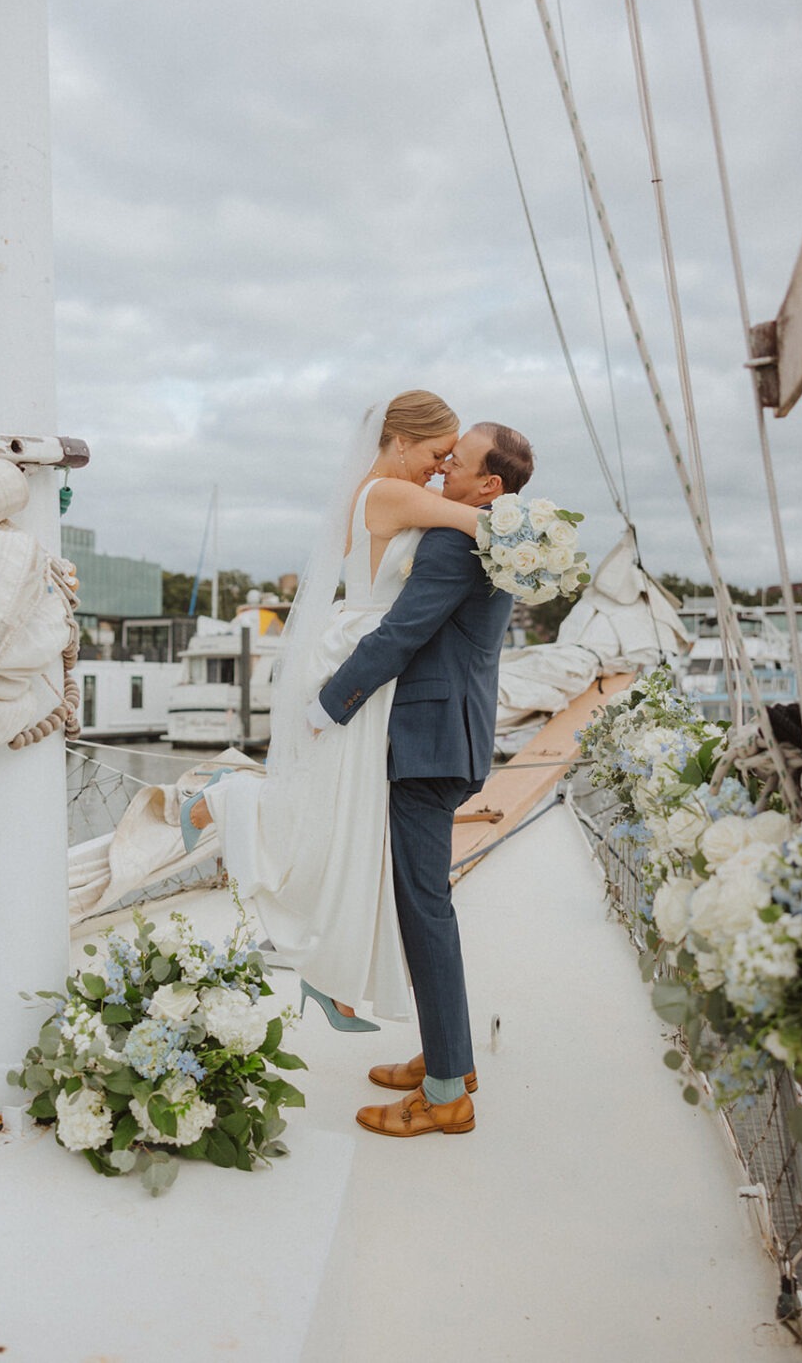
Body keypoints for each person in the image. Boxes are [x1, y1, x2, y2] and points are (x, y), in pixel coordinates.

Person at [184, 392, 486, 1027]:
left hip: (365, 658)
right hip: (361, 658)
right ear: (399, 441)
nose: (438, 467)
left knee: (347, 822)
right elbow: (477, 525)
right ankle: (225, 796)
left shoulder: (386, 490)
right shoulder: (385, 492)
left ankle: (328, 975)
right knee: (334, 815)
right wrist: (523, 524)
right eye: (436, 453)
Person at [311, 421, 535, 1138]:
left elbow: (402, 634)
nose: (442, 474)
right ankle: (452, 1059)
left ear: (489, 485)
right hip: (453, 736)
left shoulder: (454, 539)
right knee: (428, 907)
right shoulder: (499, 534)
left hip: (428, 745)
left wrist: (327, 703)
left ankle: (446, 1096)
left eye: (457, 464)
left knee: (424, 911)